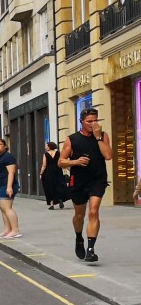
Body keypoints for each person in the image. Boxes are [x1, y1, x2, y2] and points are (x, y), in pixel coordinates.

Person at [60, 107, 112, 264]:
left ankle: (91, 249)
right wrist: (75, 161)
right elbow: (61, 162)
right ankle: (78, 238)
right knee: (79, 215)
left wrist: (97, 137)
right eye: (89, 121)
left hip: (97, 179)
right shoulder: (72, 139)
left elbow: (108, 155)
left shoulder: (103, 136)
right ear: (81, 122)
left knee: (94, 212)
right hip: (79, 181)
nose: (93, 123)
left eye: (96, 120)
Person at [39, 141, 67, 210]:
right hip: (58, 171)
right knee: (59, 185)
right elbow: (61, 161)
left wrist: (41, 173)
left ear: (49, 146)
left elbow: (44, 165)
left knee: (49, 188)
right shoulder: (58, 153)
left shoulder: (45, 154)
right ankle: (60, 199)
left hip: (48, 172)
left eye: (46, 146)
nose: (45, 147)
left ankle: (52, 204)